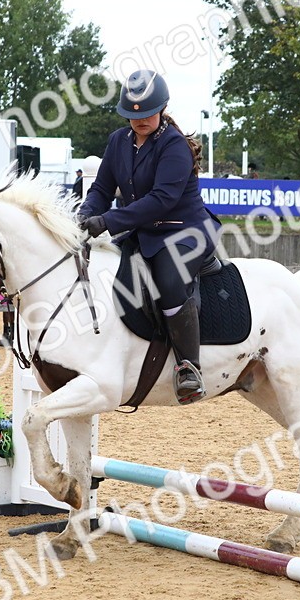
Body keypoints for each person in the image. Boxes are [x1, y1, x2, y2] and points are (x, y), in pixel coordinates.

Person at [78, 69, 221, 405]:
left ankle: (189, 367)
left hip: (185, 231)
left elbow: (161, 200)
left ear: (163, 107)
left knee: (169, 280)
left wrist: (108, 220)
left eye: (146, 113)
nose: (139, 120)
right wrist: (85, 214)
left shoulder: (174, 146)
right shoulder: (118, 141)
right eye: (132, 115)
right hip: (142, 231)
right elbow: (101, 188)